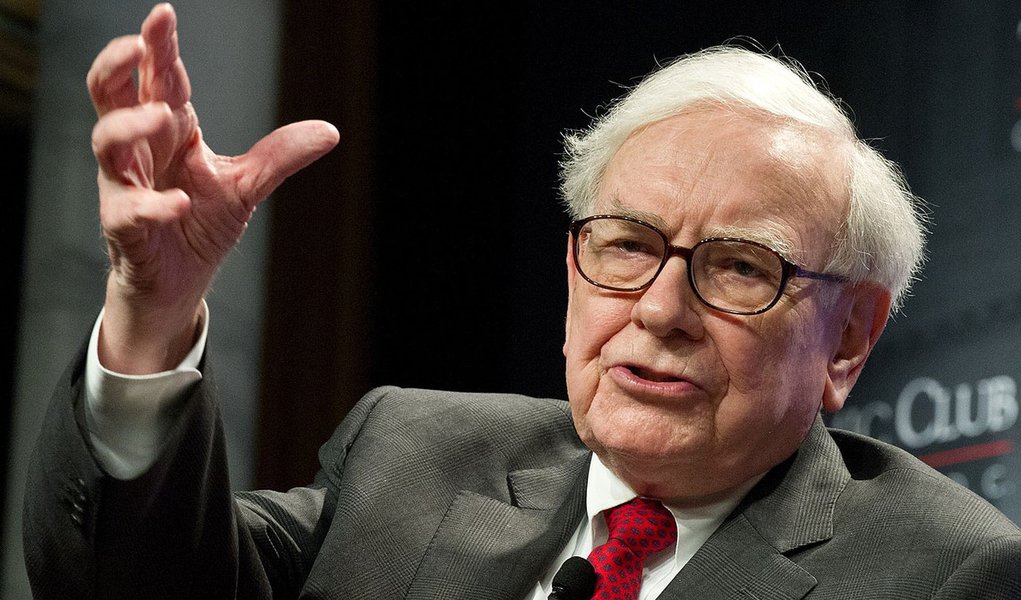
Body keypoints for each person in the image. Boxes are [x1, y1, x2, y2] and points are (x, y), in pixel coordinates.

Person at [22, 3, 1021, 599]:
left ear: (848, 340)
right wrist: (151, 317)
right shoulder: (410, 456)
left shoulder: (946, 575)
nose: (660, 309)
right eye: (625, 245)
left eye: (737, 269)